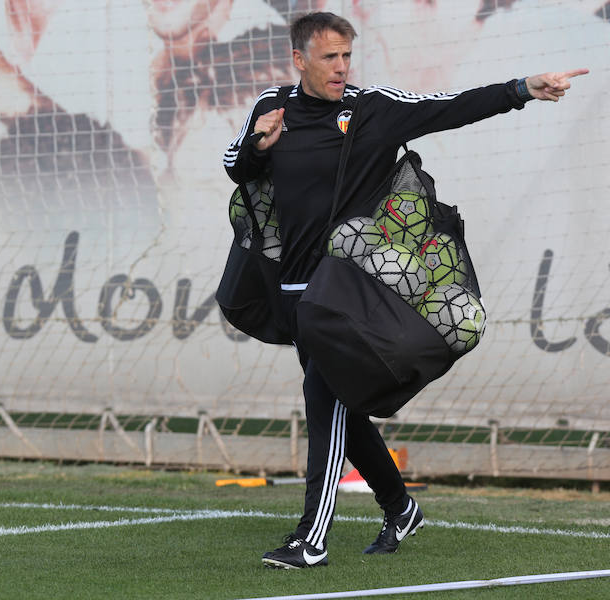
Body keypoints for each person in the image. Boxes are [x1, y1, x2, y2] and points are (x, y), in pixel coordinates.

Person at [223, 11, 587, 569]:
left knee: (326, 409)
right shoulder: (272, 108)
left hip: (348, 290)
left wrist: (522, 90)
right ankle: (400, 506)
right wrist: (258, 145)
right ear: (300, 60)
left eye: (347, 55)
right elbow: (236, 167)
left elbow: (449, 106)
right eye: (330, 57)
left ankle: (310, 539)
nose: (342, 67)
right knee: (343, 408)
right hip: (294, 289)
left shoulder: (371, 110)